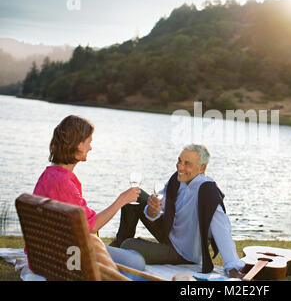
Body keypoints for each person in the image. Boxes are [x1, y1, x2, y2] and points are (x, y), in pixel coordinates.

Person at [110, 144, 245, 278]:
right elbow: (156, 210)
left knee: (128, 244)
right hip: (169, 232)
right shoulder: (178, 179)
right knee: (135, 195)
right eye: (179, 161)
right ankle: (117, 246)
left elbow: (222, 230)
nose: (180, 167)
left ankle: (121, 248)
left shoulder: (207, 194)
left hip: (182, 253)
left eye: (187, 164)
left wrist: (233, 267)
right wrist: (152, 209)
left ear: (202, 168)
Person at [31, 115, 146, 271]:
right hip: (65, 254)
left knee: (129, 254)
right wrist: (122, 200)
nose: (90, 148)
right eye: (89, 142)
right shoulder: (63, 183)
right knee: (137, 261)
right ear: (77, 144)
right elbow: (91, 227)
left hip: (50, 250)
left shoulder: (50, 174)